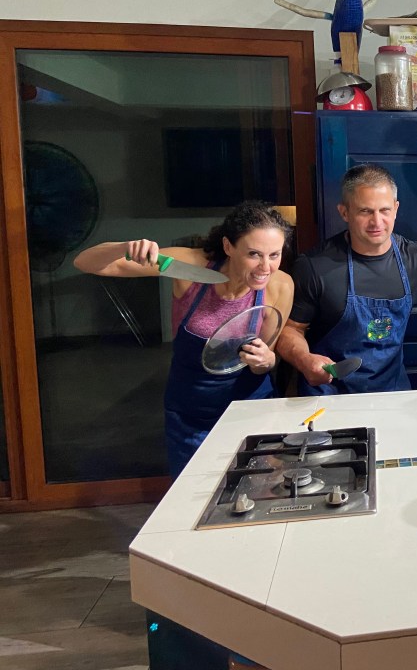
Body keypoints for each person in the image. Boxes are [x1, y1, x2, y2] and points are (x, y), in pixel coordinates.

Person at [73, 201, 294, 476]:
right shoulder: (188, 266)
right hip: (190, 414)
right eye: (254, 254)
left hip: (250, 411)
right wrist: (124, 248)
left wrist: (266, 360)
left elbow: (265, 361)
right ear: (228, 246)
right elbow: (85, 262)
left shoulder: (281, 285)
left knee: (256, 488)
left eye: (274, 255)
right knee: (194, 491)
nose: (266, 267)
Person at [277, 163, 417, 395]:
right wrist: (304, 359)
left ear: (396, 209)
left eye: (384, 210)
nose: (377, 222)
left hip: (391, 395)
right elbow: (290, 330)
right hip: (330, 396)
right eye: (365, 211)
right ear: (344, 212)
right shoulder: (314, 266)